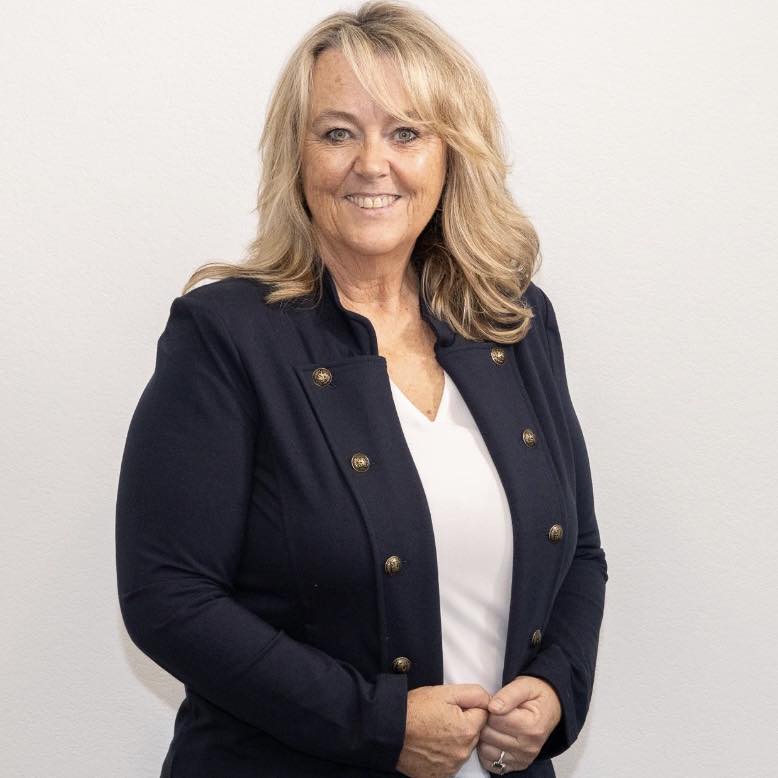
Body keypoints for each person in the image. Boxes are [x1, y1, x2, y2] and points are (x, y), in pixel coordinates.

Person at [115, 2, 608, 776]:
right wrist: (379, 723)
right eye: (338, 133)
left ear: (450, 155)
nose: (372, 164)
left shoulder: (511, 319)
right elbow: (167, 595)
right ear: (297, 157)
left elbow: (578, 549)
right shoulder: (225, 336)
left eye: (406, 133)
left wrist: (555, 687)